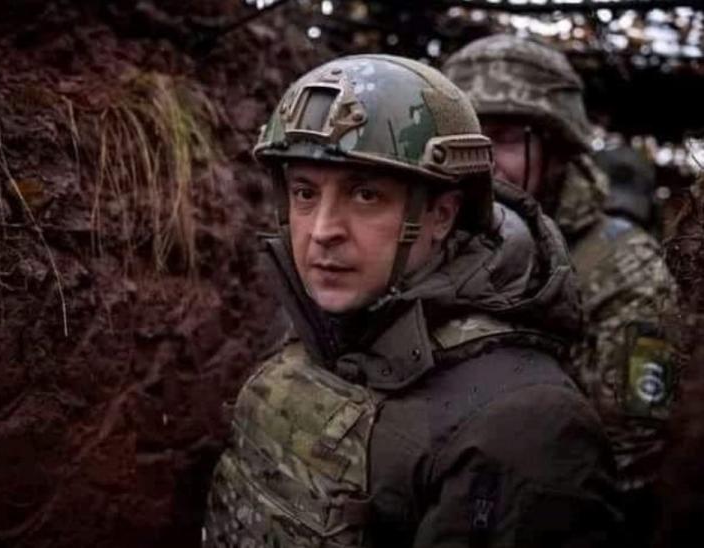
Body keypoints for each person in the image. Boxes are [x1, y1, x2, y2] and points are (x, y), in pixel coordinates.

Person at [203, 53, 619, 547]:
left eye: (366, 195)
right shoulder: (317, 322)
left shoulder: (527, 428)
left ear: (442, 214)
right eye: (304, 193)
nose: (322, 231)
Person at [443, 34, 676, 547]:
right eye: (466, 139)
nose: (481, 162)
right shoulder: (433, 242)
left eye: (504, 139)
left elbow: (633, 451)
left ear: (557, 150)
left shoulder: (622, 269)